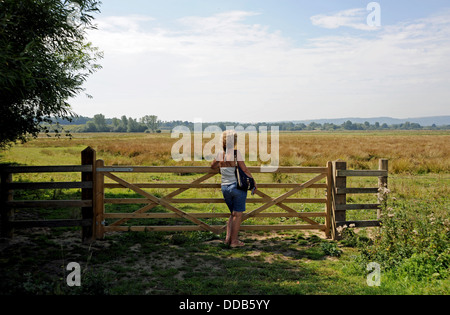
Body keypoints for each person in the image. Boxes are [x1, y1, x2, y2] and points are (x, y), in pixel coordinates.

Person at [211, 130, 257, 247]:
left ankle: (228, 239)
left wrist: (222, 170)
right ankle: (234, 241)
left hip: (225, 188)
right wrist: (253, 182)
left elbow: (212, 166)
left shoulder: (220, 154)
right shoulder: (236, 154)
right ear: (234, 141)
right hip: (236, 187)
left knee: (233, 214)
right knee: (237, 215)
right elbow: (245, 170)